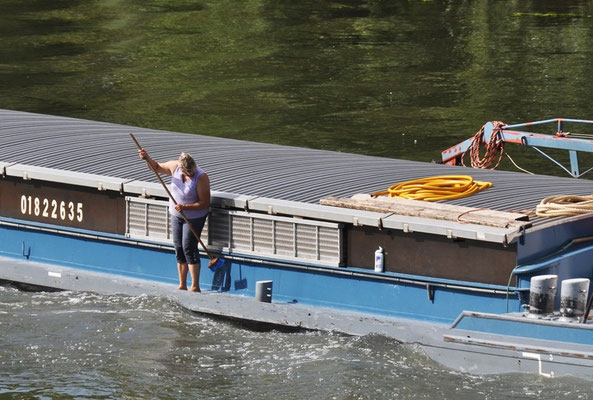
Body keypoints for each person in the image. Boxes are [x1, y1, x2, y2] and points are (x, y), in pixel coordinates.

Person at [138, 148, 211, 292]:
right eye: (187, 172)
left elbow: (205, 202)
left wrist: (185, 206)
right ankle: (182, 283)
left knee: (188, 246)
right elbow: (157, 168)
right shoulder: (175, 167)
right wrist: (147, 158)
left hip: (194, 216)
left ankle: (195, 285)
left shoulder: (201, 177)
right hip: (177, 214)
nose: (190, 174)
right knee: (178, 247)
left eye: (191, 172)